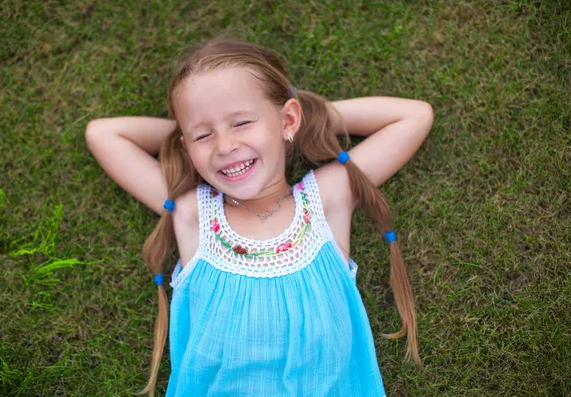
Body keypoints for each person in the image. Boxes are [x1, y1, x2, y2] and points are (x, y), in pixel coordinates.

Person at [85, 38, 434, 397]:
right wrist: (186, 135)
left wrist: (306, 119)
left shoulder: (327, 198)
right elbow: (104, 135)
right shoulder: (194, 214)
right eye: (204, 135)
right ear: (187, 148)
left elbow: (413, 117)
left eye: (242, 123)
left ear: (288, 119)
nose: (224, 147)